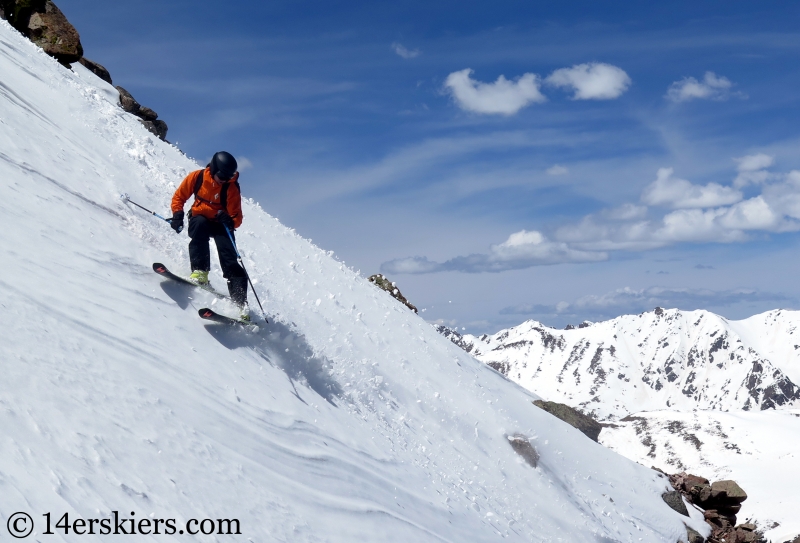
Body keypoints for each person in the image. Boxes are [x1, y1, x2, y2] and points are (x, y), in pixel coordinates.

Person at [169, 151, 249, 319]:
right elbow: (179, 197)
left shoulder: (231, 187)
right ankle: (200, 271)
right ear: (213, 169)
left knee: (229, 256)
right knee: (199, 225)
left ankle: (240, 303)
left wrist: (229, 220)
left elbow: (237, 217)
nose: (223, 180)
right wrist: (177, 214)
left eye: (227, 177)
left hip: (221, 224)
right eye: (221, 175)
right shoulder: (197, 177)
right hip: (201, 218)